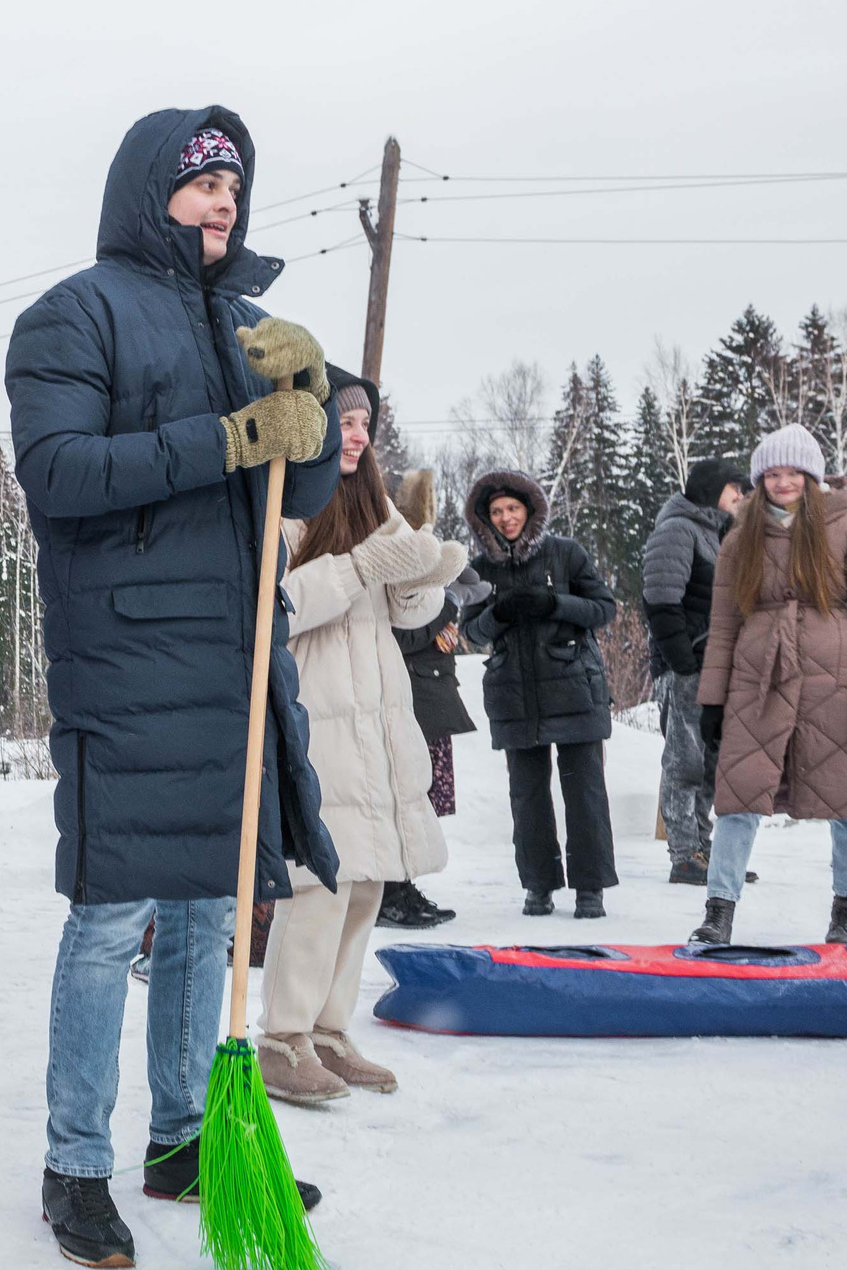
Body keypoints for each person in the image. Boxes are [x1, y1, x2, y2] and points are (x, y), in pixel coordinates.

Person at [5, 109, 337, 1270]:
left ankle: (185, 1138)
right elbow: (58, 473)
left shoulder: (247, 322)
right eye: (199, 182)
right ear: (149, 192)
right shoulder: (73, 312)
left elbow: (294, 488)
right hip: (128, 650)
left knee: (206, 909)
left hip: (233, 651)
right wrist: (235, 433)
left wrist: (311, 402)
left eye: (234, 186)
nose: (221, 201)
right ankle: (73, 1160)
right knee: (109, 913)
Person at [257, 380, 466, 1102]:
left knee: (367, 879)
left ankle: (328, 1030)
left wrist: (424, 575)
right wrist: (359, 566)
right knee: (319, 882)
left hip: (375, 718)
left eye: (364, 422)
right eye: (342, 420)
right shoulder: (280, 510)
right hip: (313, 719)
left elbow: (407, 614)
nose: (356, 433)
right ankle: (283, 1038)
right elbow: (279, 611)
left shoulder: (373, 509)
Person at [689, 427, 847, 946]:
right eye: (772, 475)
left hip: (839, 683)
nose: (783, 483)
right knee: (737, 797)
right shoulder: (741, 537)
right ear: (760, 481)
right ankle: (719, 911)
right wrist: (712, 699)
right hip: (758, 678)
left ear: (811, 476)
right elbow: (725, 624)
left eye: (793, 473)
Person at [463, 470, 619, 918]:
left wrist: (554, 604)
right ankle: (538, 884)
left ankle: (591, 888)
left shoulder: (565, 554)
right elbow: (470, 631)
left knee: (584, 792)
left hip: (574, 687)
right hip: (514, 694)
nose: (505, 518)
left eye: (512, 508)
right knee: (527, 797)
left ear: (530, 509)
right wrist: (500, 614)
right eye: (496, 511)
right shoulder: (480, 569)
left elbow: (603, 608)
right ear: (485, 519)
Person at [644, 459, 752, 884]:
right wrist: (683, 663)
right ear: (711, 492)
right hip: (686, 665)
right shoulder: (676, 529)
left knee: (711, 762)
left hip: (715, 664)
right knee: (684, 761)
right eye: (733, 490)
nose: (740, 497)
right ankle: (684, 853)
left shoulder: (715, 531)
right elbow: (660, 602)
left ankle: (705, 850)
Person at [378, 466, 474, 930]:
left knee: (417, 805)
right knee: (399, 801)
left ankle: (403, 887)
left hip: (428, 702)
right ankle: (390, 892)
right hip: (408, 702)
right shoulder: (388, 561)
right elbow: (398, 630)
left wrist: (448, 611)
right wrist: (441, 621)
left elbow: (468, 587)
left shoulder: (429, 562)